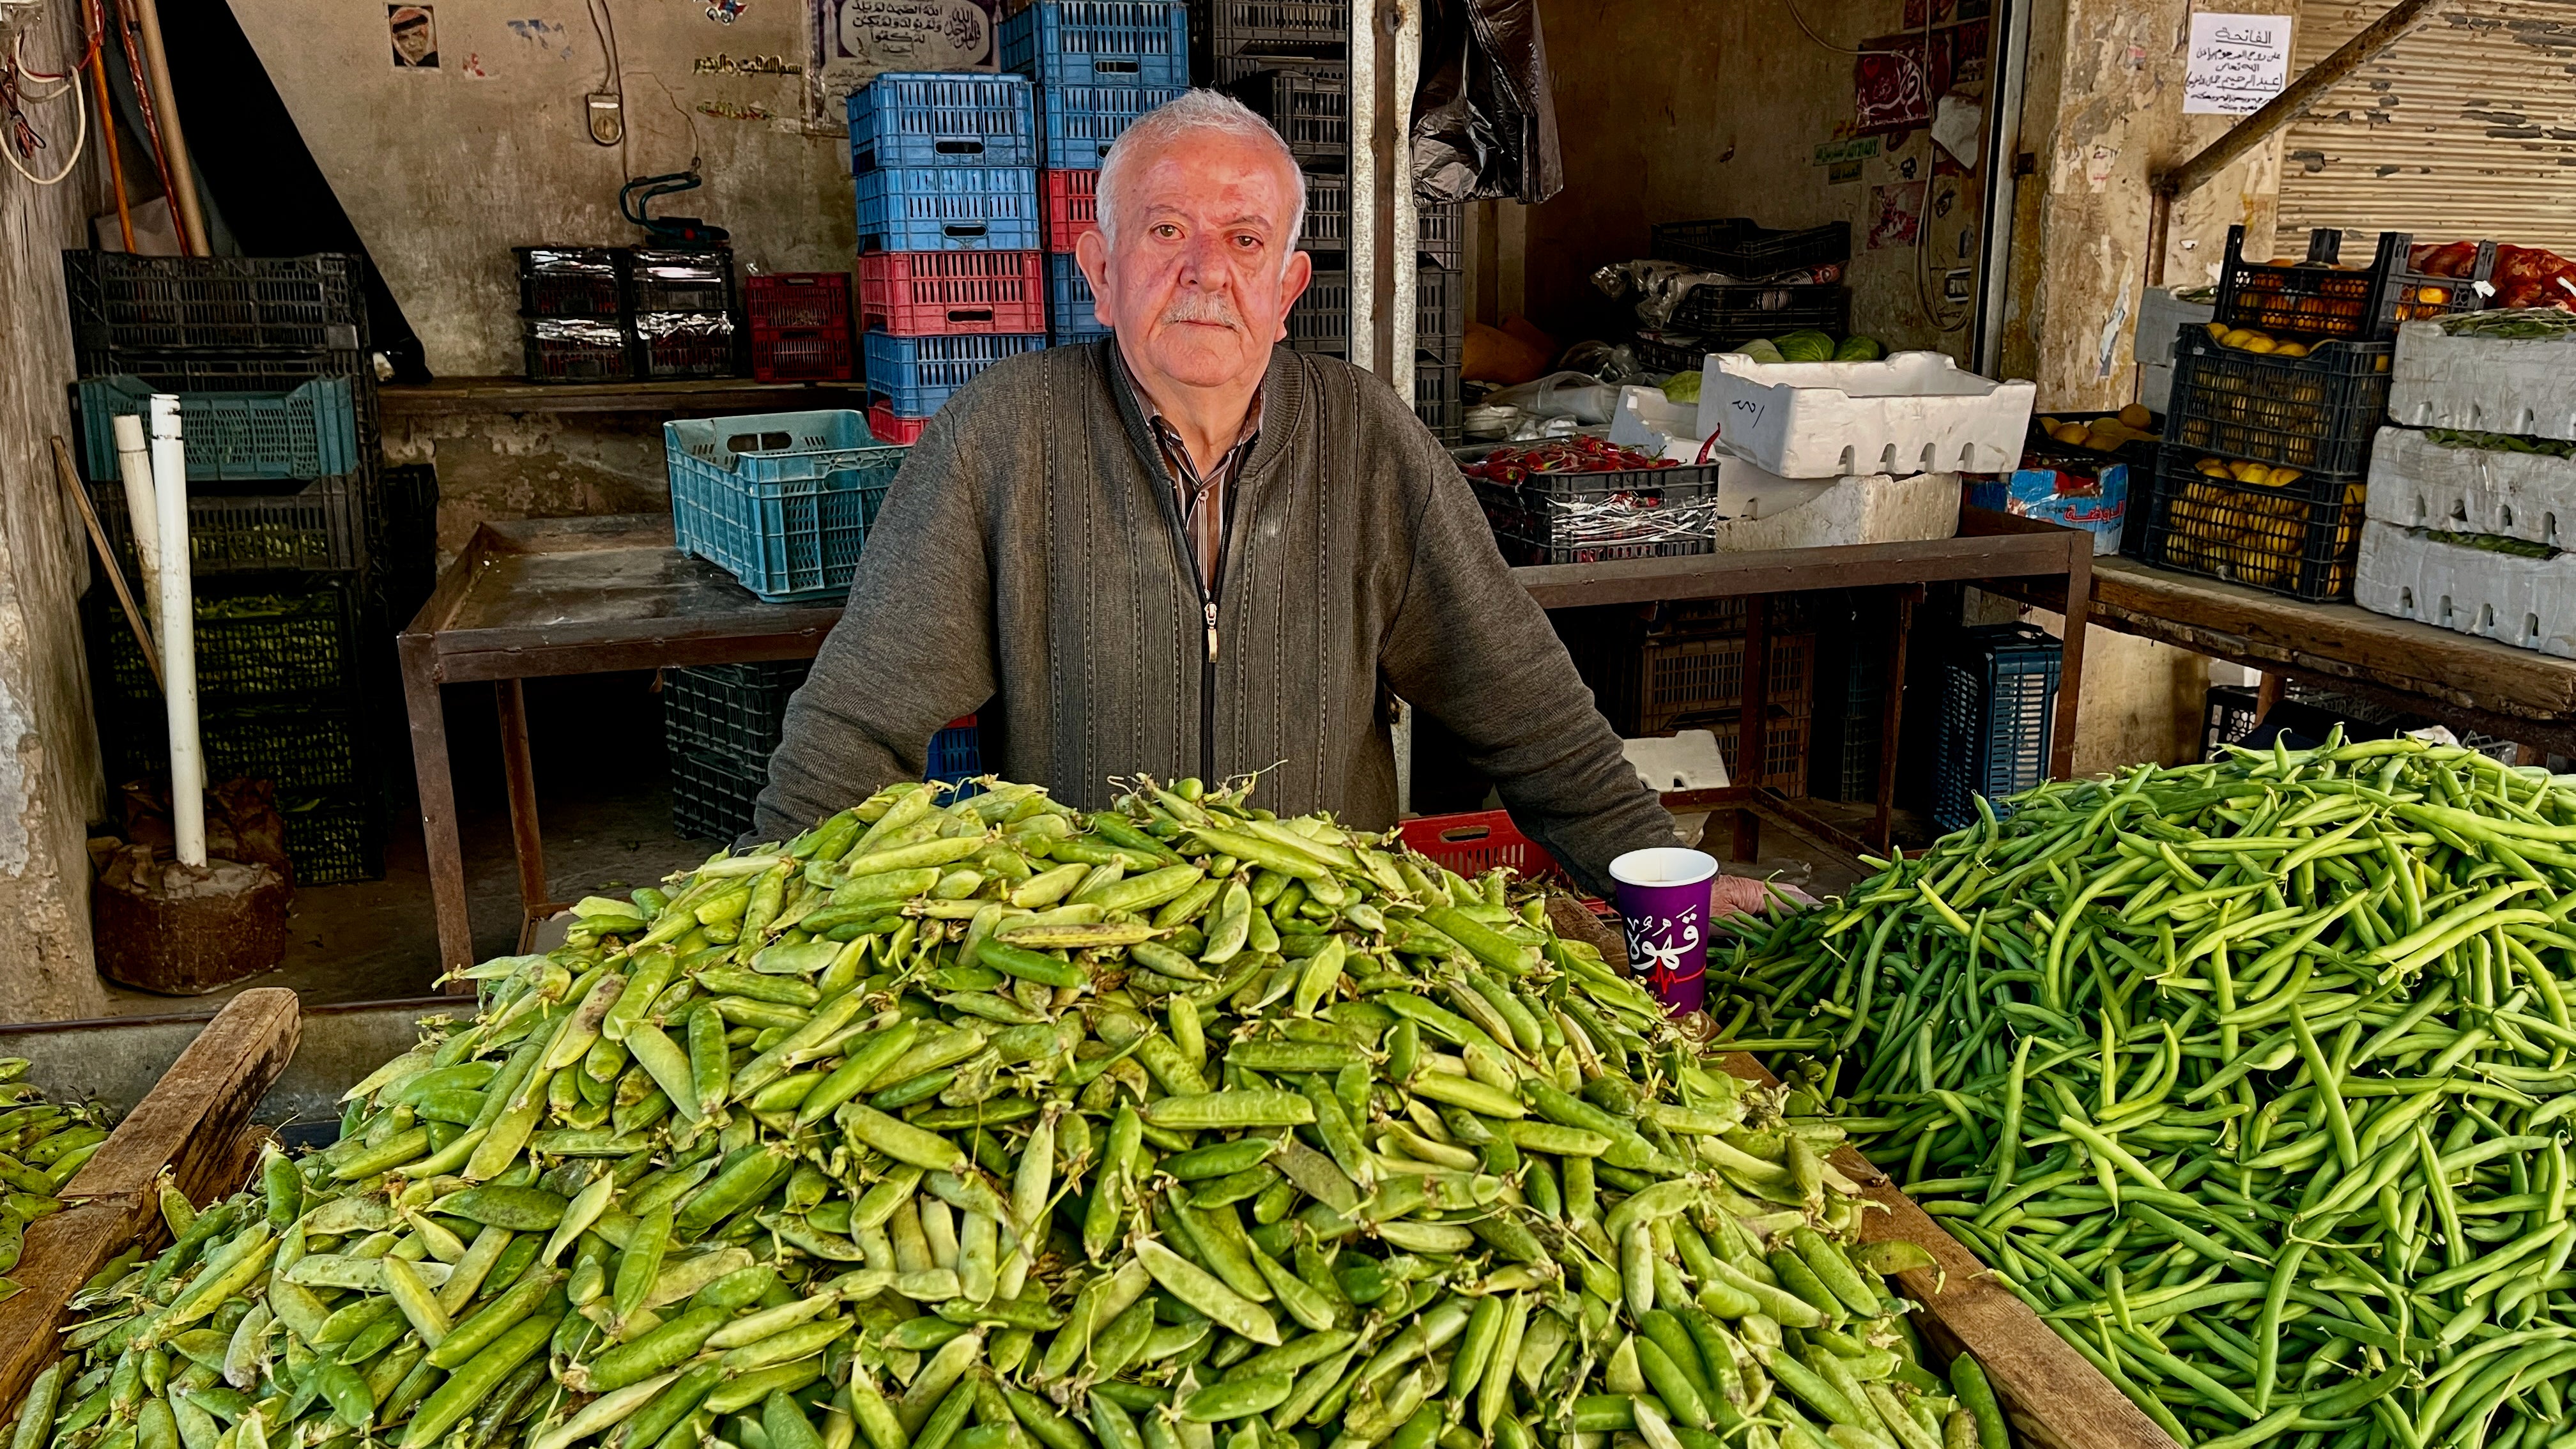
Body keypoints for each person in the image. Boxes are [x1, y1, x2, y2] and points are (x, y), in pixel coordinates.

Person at [756, 88, 1776, 913]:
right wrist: (758, 920)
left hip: (1324, 964)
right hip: (1088, 968)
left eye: (1246, 241)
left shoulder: (1367, 440)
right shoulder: (1002, 438)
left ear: (1288, 293)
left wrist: (1664, 874)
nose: (1207, 272)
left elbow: (1527, 707)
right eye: (1165, 230)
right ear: (1101, 272)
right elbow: (854, 726)